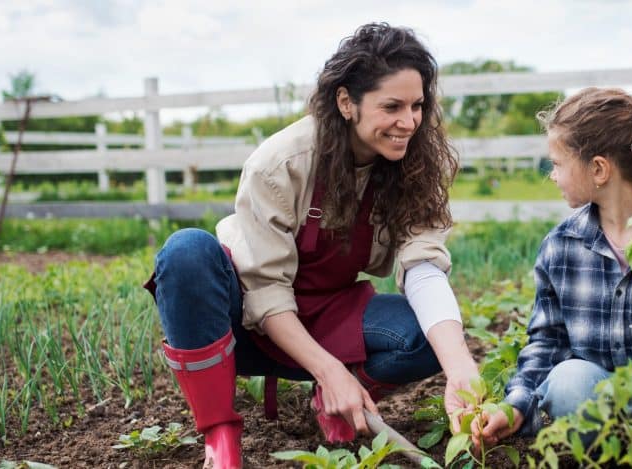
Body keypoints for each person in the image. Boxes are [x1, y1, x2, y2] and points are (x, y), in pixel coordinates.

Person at [145, 23, 479, 468]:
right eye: (392, 106)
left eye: (418, 106)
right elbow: (265, 294)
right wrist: (328, 367)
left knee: (429, 336)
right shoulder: (281, 163)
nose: (409, 122)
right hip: (244, 318)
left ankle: (338, 401)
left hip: (328, 312)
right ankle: (220, 437)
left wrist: (459, 367)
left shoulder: (413, 166)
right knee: (186, 251)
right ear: (346, 102)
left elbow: (423, 265)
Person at [475, 88, 632, 446]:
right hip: (588, 393)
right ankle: (606, 448)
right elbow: (547, 340)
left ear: (598, 169)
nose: (553, 175)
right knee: (567, 383)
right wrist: (515, 404)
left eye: (557, 164)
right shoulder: (561, 246)